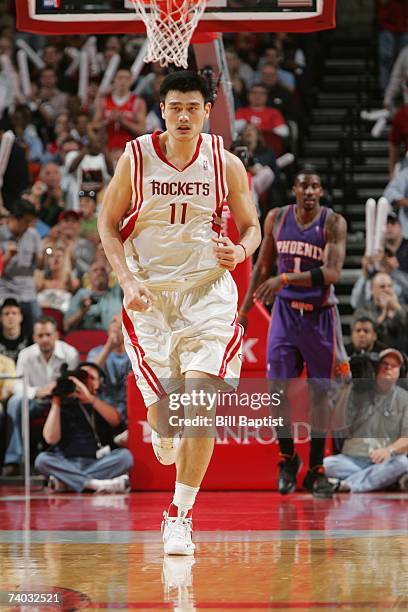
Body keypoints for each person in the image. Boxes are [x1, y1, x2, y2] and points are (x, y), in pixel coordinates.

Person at [98, 70, 261, 555]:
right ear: (162, 111)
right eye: (176, 107)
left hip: (206, 293)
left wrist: (241, 249)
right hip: (149, 297)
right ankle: (165, 437)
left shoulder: (224, 162)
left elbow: (252, 227)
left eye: (194, 106)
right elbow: (107, 226)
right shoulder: (136, 158)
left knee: (200, 401)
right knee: (166, 421)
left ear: (207, 110)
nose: (185, 115)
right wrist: (126, 282)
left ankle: (179, 516)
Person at [239, 169, 349, 498]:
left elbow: (331, 273)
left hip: (320, 318)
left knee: (320, 396)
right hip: (286, 317)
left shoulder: (333, 223)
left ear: (322, 191)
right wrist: (244, 312)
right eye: (304, 186)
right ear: (294, 190)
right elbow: (261, 267)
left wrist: (284, 280)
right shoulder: (276, 217)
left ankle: (316, 470)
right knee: (276, 391)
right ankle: (287, 459)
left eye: (316, 186)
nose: (310, 191)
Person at [34, 362, 133, 494]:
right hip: (66, 462)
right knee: (42, 460)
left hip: (97, 462)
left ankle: (67, 483)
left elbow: (115, 420)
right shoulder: (63, 403)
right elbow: (51, 439)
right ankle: (95, 484)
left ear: (99, 383)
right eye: (82, 377)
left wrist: (90, 399)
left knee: (125, 457)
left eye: (91, 378)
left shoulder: (102, 402)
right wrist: (57, 400)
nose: (86, 381)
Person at [2, 316, 79, 476]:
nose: (45, 339)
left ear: (56, 335)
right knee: (15, 402)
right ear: (34, 337)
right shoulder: (25, 354)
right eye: (40, 335)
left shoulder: (70, 353)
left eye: (48, 335)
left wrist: (57, 391)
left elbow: (75, 385)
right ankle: (13, 459)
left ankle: (70, 456)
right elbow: (18, 386)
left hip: (63, 401)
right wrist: (37, 391)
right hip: (36, 401)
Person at [324, 348, 408, 492]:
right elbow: (337, 425)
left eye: (394, 366)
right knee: (325, 465)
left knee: (403, 463)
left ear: (400, 371)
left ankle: (347, 485)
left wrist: (388, 451)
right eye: (384, 364)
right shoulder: (357, 391)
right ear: (375, 368)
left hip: (385, 461)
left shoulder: (405, 398)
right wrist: (347, 387)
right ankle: (380, 480)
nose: (388, 368)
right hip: (352, 459)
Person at [0, 199, 42, 332]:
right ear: (13, 218)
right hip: (4, 288)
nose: (29, 226)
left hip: (27, 289)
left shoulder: (33, 235)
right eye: (26, 221)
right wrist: (7, 257)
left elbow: (40, 266)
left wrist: (42, 258)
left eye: (31, 222)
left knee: (38, 320)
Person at [87, 313, 131, 425]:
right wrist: (109, 346)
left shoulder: (134, 355)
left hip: (128, 408)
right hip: (101, 407)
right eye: (114, 321)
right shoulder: (96, 352)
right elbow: (89, 374)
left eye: (121, 324)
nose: (116, 326)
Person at [64, 259, 122, 332]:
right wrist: (82, 311)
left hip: (115, 337)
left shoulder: (117, 291)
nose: (99, 273)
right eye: (95, 270)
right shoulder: (81, 294)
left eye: (103, 270)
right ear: (89, 276)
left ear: (109, 275)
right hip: (86, 340)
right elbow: (66, 326)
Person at [0, 298, 32, 362]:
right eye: (6, 313)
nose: (10, 317)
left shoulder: (30, 339)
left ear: (21, 317)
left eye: (14, 313)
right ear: (1, 318)